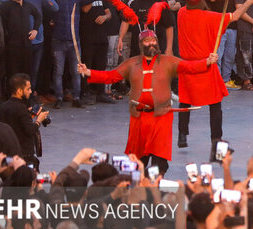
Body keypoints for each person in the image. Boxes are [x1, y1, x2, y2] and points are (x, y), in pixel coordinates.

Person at [78, 28, 219, 174]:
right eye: (147, 41)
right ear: (141, 44)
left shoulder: (168, 61)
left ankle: (156, 186)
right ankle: (140, 187)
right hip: (139, 119)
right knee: (137, 161)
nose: (151, 43)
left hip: (161, 118)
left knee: (159, 161)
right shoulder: (132, 63)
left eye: (153, 40)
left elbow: (189, 67)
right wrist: (88, 72)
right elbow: (111, 76)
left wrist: (207, 61)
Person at [175, 0, 253, 149]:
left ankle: (182, 135)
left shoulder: (181, 14)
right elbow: (235, 16)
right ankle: (216, 140)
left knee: (185, 102)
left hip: (187, 65)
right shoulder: (210, 17)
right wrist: (249, 1)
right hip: (206, 64)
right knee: (215, 104)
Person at [0, 73, 49, 169]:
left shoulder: (2, 107)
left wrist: (28, 115)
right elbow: (30, 130)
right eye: (28, 89)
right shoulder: (21, 108)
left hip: (8, 154)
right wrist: (38, 120)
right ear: (19, 91)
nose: (30, 91)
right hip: (24, 155)